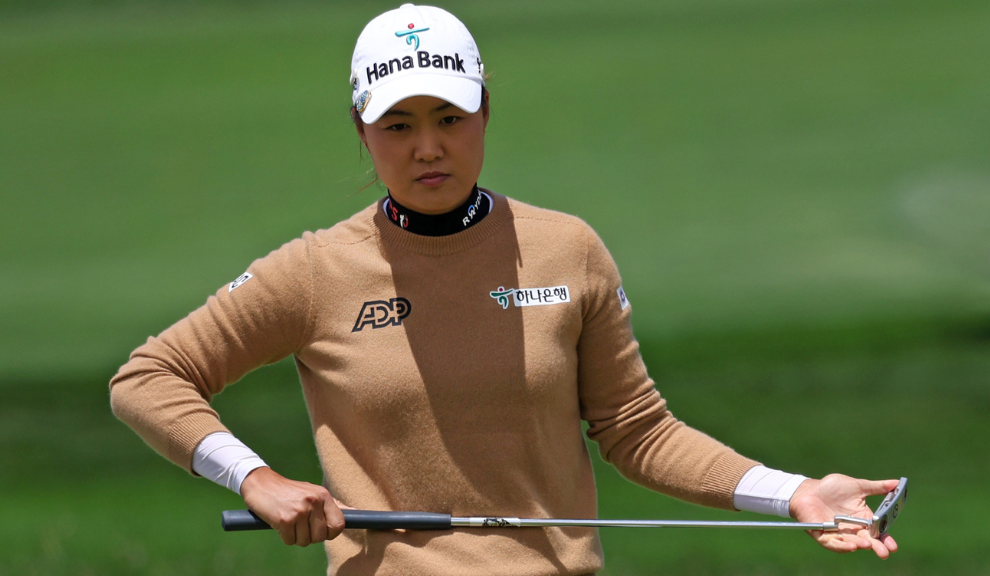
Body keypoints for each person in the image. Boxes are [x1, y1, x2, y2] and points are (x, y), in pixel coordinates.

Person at [109, 4, 899, 575]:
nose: (428, 147)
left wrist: (794, 492)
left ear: (486, 109)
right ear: (360, 128)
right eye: (398, 125)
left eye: (450, 117)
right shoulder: (317, 270)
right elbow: (148, 379)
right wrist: (257, 478)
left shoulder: (566, 249)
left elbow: (638, 431)